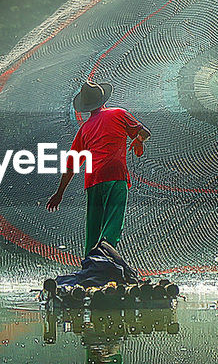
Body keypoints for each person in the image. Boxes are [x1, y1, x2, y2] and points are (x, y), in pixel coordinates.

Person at [47, 80, 150, 257]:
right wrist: (138, 141)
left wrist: (60, 193)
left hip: (93, 179)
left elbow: (71, 165)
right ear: (103, 100)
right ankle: (105, 252)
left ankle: (90, 262)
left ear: (86, 106)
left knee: (93, 226)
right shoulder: (119, 113)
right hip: (115, 175)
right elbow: (144, 132)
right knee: (113, 220)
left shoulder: (84, 129)